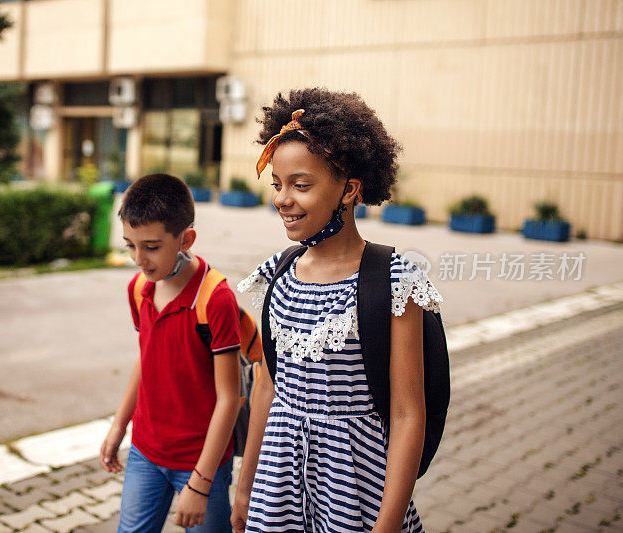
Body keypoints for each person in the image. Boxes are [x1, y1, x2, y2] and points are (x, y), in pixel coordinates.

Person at [231, 88, 443, 533]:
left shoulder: (392, 281)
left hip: (358, 495)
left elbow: (408, 414)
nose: (282, 199)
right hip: (277, 493)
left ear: (349, 189)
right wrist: (247, 489)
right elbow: (266, 391)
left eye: (300, 185)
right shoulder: (278, 276)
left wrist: (385, 528)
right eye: (277, 184)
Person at [100, 174, 242, 532]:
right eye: (129, 245)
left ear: (185, 239)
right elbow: (146, 360)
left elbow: (230, 398)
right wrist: (120, 425)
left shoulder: (214, 299)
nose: (138, 259)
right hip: (145, 452)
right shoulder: (139, 290)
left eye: (150, 246)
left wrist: (200, 482)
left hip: (200, 461)